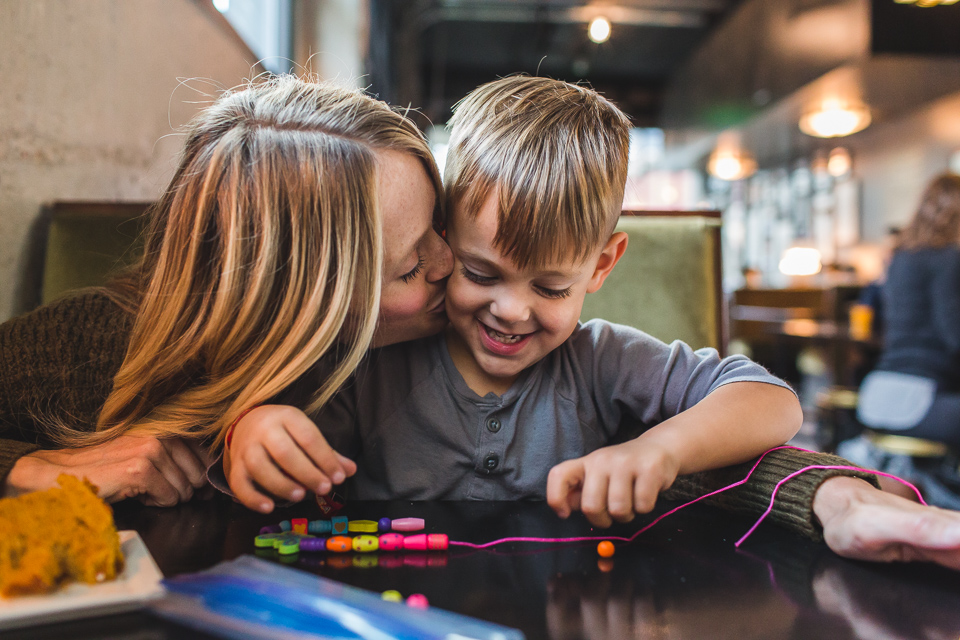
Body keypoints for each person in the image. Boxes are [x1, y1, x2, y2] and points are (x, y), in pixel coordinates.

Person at [228, 76, 960, 569]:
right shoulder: (380, 360)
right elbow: (289, 437)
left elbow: (773, 400)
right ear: (444, 237)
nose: (511, 310)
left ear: (603, 266)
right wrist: (259, 425)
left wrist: (663, 449)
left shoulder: (603, 360)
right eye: (482, 273)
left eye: (551, 286)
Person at [0, 74, 453, 507]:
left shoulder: (469, 334)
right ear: (295, 306)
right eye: (412, 267)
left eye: (440, 223)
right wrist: (29, 470)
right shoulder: (88, 344)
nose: (451, 262)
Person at [845, 173, 960, 508]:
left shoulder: (900, 258)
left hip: (877, 395)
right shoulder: (950, 258)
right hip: (917, 403)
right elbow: (953, 334)